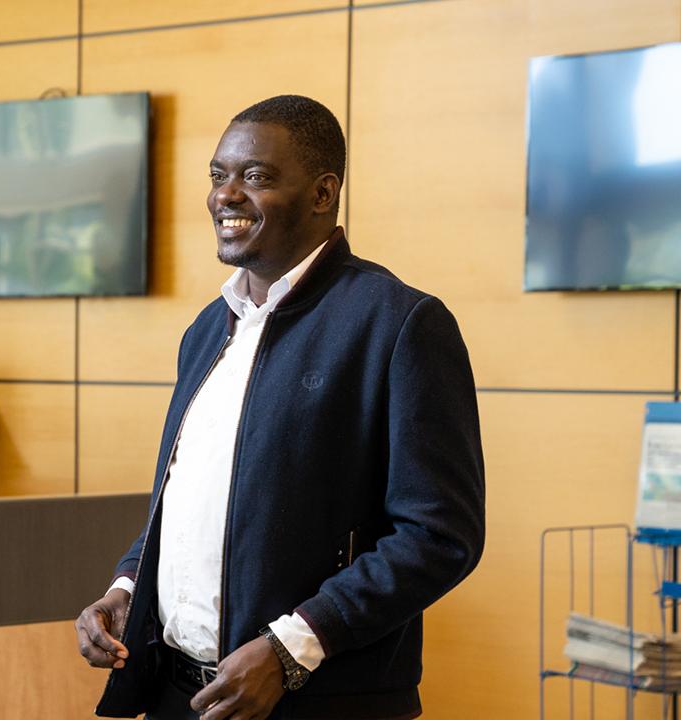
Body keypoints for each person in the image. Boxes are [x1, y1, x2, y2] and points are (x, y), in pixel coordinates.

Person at [75, 95, 486, 720]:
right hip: (177, 696)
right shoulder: (207, 331)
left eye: (256, 177)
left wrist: (290, 647)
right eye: (218, 175)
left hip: (316, 701)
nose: (226, 195)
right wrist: (128, 584)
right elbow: (190, 499)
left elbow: (439, 536)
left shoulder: (400, 325)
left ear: (323, 193)